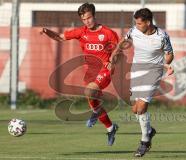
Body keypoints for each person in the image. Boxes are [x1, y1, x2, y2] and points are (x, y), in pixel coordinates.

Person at [42, 2, 119, 146]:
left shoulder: (108, 33)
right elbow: (60, 37)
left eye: (89, 18)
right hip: (90, 72)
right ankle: (110, 127)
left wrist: (112, 61)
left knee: (90, 90)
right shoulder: (81, 32)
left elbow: (117, 50)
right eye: (84, 19)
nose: (87, 21)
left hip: (105, 69)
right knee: (93, 100)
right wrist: (48, 32)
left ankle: (96, 112)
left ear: (94, 16)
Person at [111, 8, 174, 157]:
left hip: (154, 72)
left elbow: (169, 54)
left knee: (141, 107)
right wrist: (116, 52)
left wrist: (167, 63)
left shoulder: (162, 36)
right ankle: (150, 131)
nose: (137, 26)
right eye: (136, 23)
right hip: (137, 71)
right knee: (135, 109)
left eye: (139, 23)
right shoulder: (134, 31)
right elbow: (124, 40)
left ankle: (144, 142)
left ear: (148, 22)